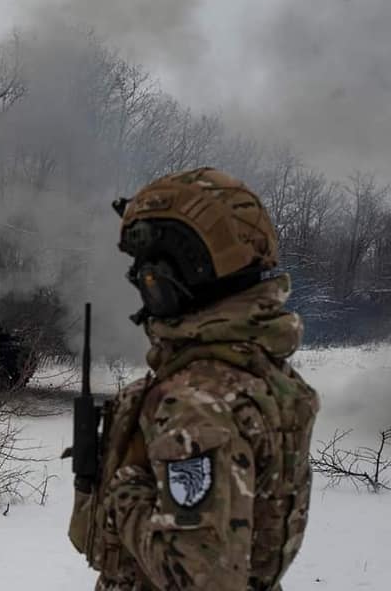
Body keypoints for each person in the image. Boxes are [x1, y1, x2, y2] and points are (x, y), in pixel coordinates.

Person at [68, 167, 319, 591]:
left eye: (149, 269)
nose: (139, 279)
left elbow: (204, 578)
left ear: (184, 271)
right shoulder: (255, 375)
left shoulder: (197, 404)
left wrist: (124, 490)